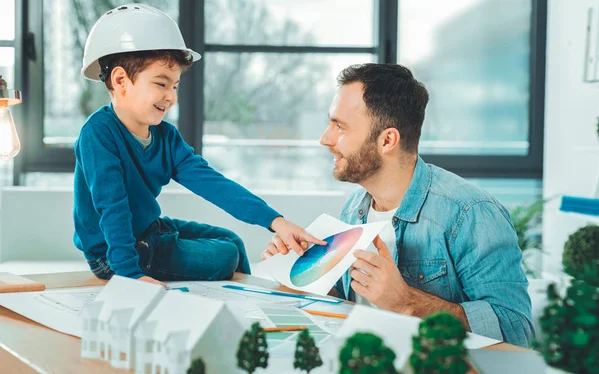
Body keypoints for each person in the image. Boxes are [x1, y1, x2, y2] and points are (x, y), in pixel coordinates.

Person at [262, 63, 534, 347]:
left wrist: (407, 303)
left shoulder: (470, 213)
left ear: (387, 140)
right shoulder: (356, 205)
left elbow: (516, 331)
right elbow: (352, 306)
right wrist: (299, 272)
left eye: (339, 126)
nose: (325, 139)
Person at [73, 4, 324, 288]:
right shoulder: (98, 134)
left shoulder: (166, 136)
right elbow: (112, 207)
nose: (170, 96)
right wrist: (130, 275)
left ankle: (244, 303)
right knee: (226, 255)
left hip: (148, 232)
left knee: (232, 241)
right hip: (114, 254)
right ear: (121, 80)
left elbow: (214, 184)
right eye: (161, 83)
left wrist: (276, 221)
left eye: (175, 86)